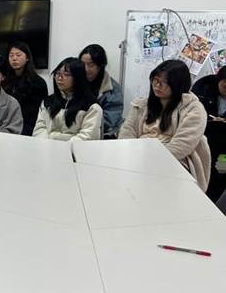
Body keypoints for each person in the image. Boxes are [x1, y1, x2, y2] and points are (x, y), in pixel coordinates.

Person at [120, 59, 210, 191]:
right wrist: (133, 155)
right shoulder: (141, 105)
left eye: (164, 83)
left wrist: (147, 160)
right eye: (155, 80)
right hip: (138, 156)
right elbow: (126, 133)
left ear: (178, 85)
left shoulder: (193, 108)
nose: (157, 85)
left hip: (174, 161)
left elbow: (182, 145)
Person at [33, 57, 102, 141]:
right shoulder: (48, 101)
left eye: (66, 74)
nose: (59, 78)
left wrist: (64, 146)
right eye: (57, 74)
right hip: (48, 146)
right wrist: (47, 144)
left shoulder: (91, 106)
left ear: (78, 77)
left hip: (76, 148)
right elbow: (40, 129)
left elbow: (88, 136)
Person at [192, 67, 226, 200]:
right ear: (219, 80)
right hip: (202, 144)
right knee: (198, 176)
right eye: (224, 84)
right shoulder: (203, 91)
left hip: (224, 151)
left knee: (220, 176)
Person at [2, 41, 48, 136]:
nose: (14, 58)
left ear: (27, 58)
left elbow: (38, 114)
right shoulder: (4, 81)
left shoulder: (38, 83)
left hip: (28, 127)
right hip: (5, 125)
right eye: (11, 55)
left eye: (18, 55)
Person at [78, 44, 124, 138]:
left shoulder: (112, 89)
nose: (85, 69)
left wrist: (80, 122)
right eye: (82, 64)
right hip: (74, 132)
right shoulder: (74, 82)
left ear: (100, 66)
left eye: (90, 65)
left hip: (102, 135)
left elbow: (109, 121)